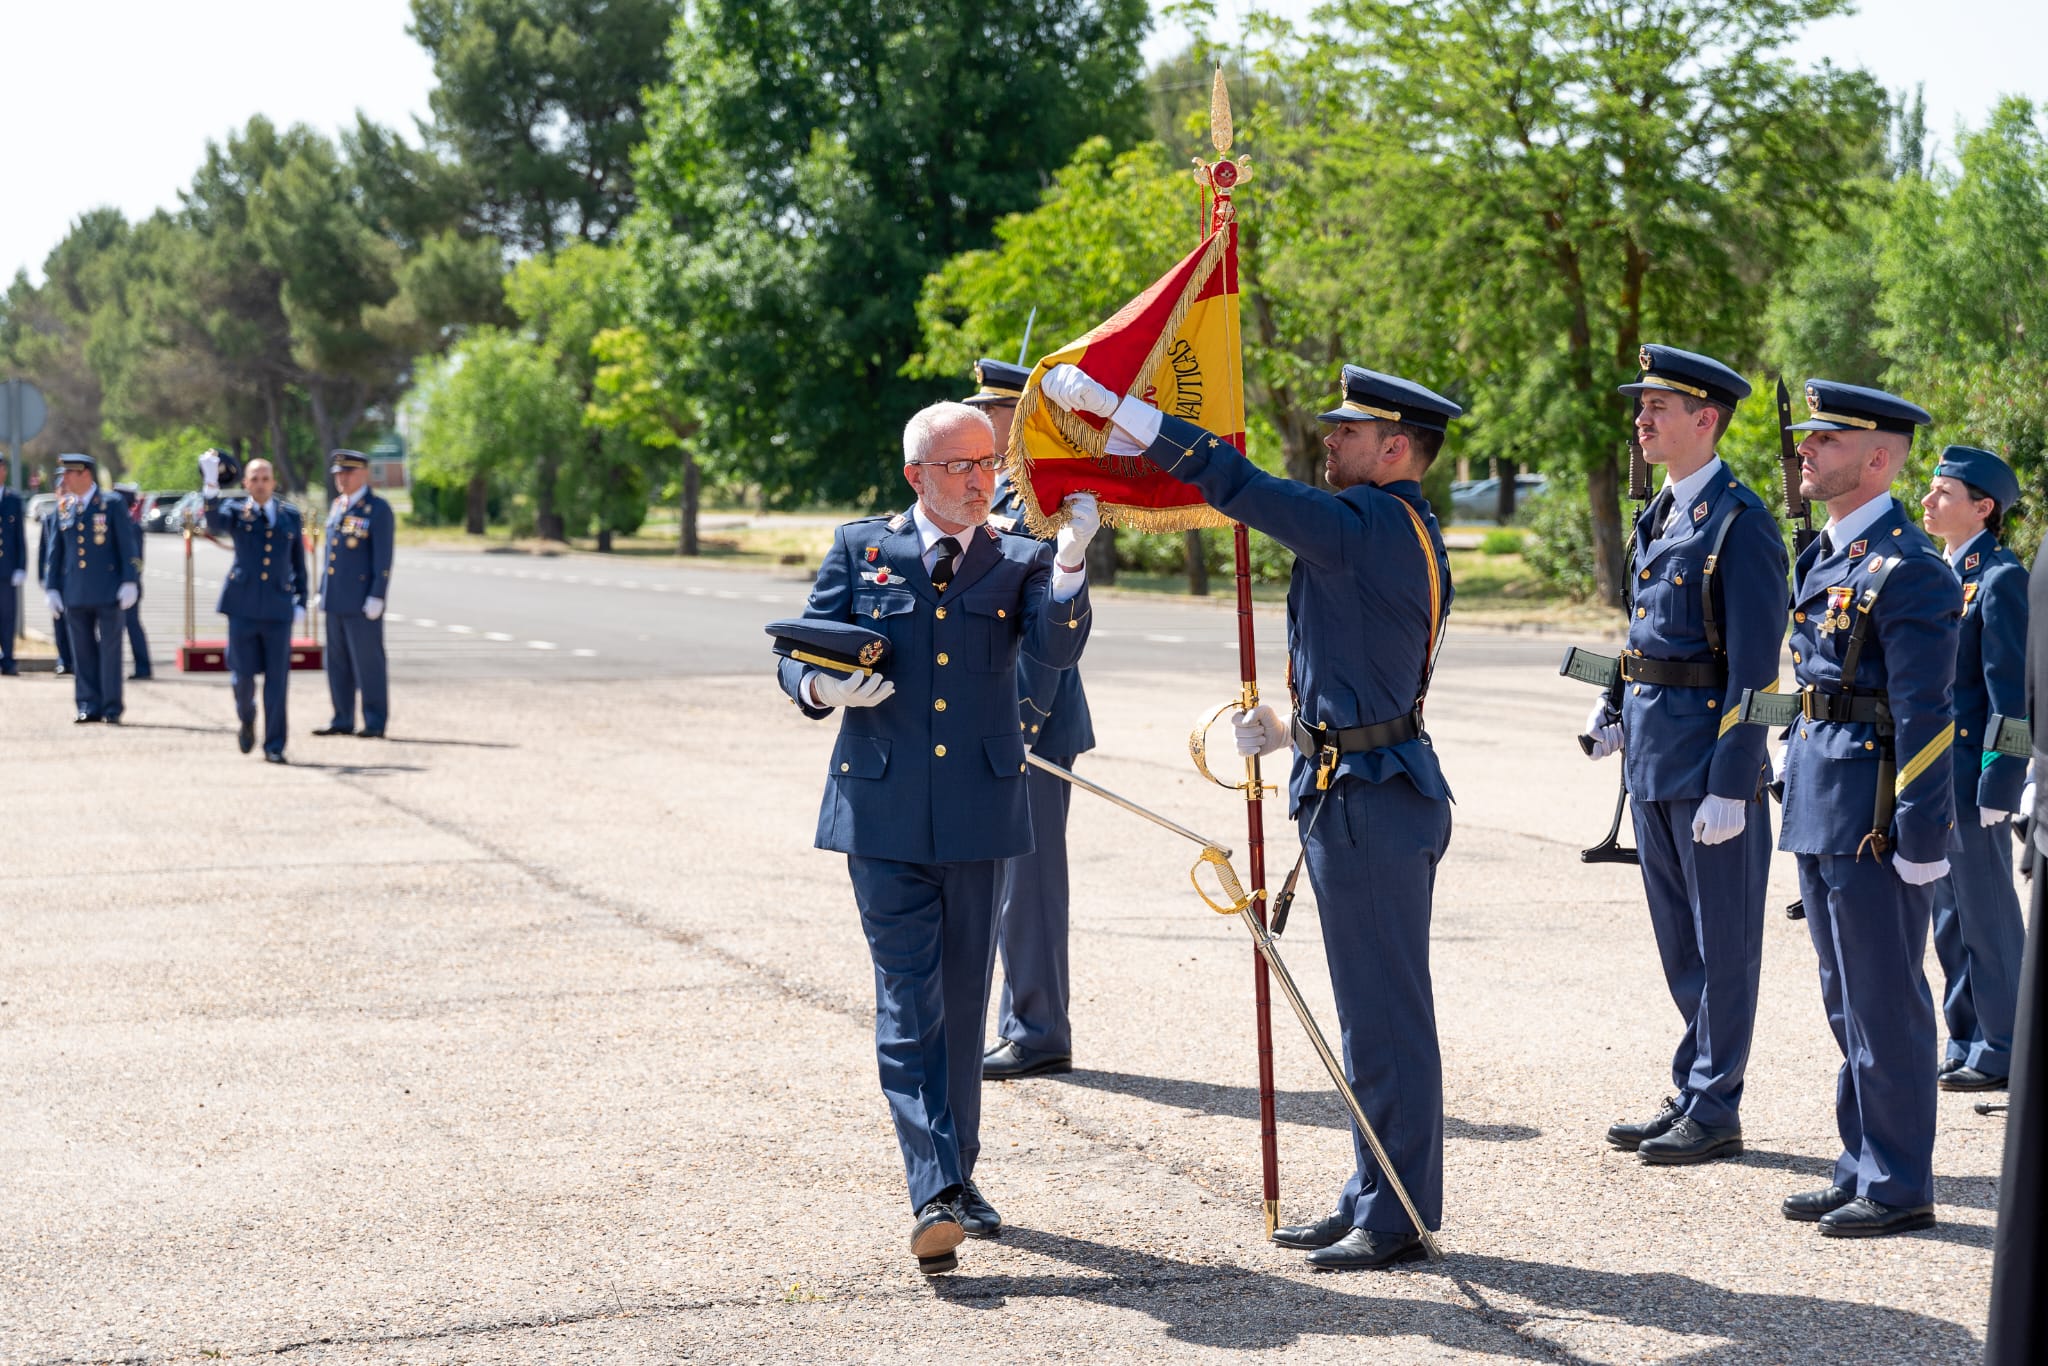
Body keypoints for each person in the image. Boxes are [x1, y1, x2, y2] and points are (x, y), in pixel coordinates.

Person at [1041, 359, 1456, 1271]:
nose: (1328, 442)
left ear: (1395, 449)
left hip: (1375, 803)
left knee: (1385, 1016)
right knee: (1365, 1016)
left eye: (1347, 433)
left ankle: (1400, 1213)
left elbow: (1239, 487)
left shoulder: (1373, 521)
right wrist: (1289, 727)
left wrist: (1128, 417)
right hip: (1355, 783)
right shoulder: (1378, 525)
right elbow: (1353, 657)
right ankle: (1372, 1187)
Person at [775, 400, 1096, 1275]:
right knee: (908, 1001)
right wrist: (818, 690)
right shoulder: (862, 548)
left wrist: (1069, 570)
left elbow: (1055, 654)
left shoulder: (1020, 556)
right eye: (956, 465)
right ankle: (934, 1190)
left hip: (980, 810)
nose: (976, 478)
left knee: (961, 1004)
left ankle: (957, 1177)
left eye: (986, 462)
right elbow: (798, 648)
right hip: (878, 815)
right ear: (915, 475)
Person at [1585, 347, 1788, 1165]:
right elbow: (1642, 637)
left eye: (1658, 406)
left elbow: (1757, 672)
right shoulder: (1660, 513)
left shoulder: (1740, 525)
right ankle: (1695, 1084)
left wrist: (1733, 783)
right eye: (1642, 405)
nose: (1641, 418)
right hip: (1655, 761)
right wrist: (1608, 707)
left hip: (1708, 770)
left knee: (1723, 944)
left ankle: (1716, 1106)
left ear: (1706, 420)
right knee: (1679, 942)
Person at [1774, 380, 1957, 1238]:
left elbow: (1928, 713)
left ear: (1877, 458)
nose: (1805, 449)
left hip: (1876, 814)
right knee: (1846, 1000)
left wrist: (1923, 831)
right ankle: (1861, 1162)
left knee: (1885, 1001)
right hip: (1822, 795)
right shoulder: (1828, 557)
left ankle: (1899, 1182)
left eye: (1827, 439)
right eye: (1809, 436)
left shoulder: (1910, 568)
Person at [966, 358, 1098, 1080]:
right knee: (998, 878)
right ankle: (1018, 1019)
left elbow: (1056, 629)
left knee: (1030, 885)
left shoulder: (1046, 507)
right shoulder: (986, 499)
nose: (981, 421)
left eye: (994, 411)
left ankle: (1039, 1027)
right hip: (989, 720)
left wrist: (1023, 721)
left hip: (1032, 722)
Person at [1919, 446, 2029, 1092]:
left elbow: (2007, 695)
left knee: (1986, 912)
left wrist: (2000, 781)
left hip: (1971, 777)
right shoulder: (1938, 573)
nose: (1929, 501)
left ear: (1982, 508)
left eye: (1944, 494)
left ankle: (2006, 1042)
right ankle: (1966, 1035)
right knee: (1948, 916)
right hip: (1932, 777)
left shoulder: (1999, 578)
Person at [200, 454, 309, 763]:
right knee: (242, 677)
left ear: (274, 483)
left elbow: (297, 563)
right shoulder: (236, 512)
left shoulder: (289, 516)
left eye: (266, 478)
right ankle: (247, 717)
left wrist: (300, 599)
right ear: (246, 484)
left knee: (278, 681)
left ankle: (274, 745)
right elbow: (213, 522)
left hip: (277, 608)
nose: (261, 484)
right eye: (255, 479)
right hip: (243, 607)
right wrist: (210, 484)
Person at [43, 454, 139, 724]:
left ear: (85, 474)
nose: (64, 480)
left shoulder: (111, 504)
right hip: (75, 591)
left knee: (110, 652)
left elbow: (127, 546)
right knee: (82, 652)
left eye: (69, 474)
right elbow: (55, 553)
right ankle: (87, 704)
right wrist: (52, 588)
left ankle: (111, 707)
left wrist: (130, 581)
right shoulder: (65, 507)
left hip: (109, 591)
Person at [315, 450, 394, 738]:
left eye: (347, 473)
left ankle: (374, 720)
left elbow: (382, 557)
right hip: (336, 598)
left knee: (368, 663)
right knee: (337, 663)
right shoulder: (339, 505)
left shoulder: (377, 509)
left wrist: (378, 594)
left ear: (363, 474)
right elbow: (331, 555)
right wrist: (322, 590)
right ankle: (342, 717)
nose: (341, 478)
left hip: (362, 601)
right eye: (338, 473)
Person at [113, 482, 152, 680]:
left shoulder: (132, 527)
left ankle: (143, 667)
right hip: (112, 585)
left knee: (132, 625)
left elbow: (136, 560)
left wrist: (131, 583)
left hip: (129, 586)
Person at [37, 498, 74, 676]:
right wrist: (43, 578)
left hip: (74, 579)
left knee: (75, 622)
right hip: (56, 579)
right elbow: (45, 550)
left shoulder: (76, 514)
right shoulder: (51, 517)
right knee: (58, 623)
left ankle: (76, 661)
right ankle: (63, 660)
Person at [0, 482, 23, 676]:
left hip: (7, 569)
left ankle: (8, 659)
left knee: (7, 617)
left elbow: (19, 536)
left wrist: (20, 567)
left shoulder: (13, 499)